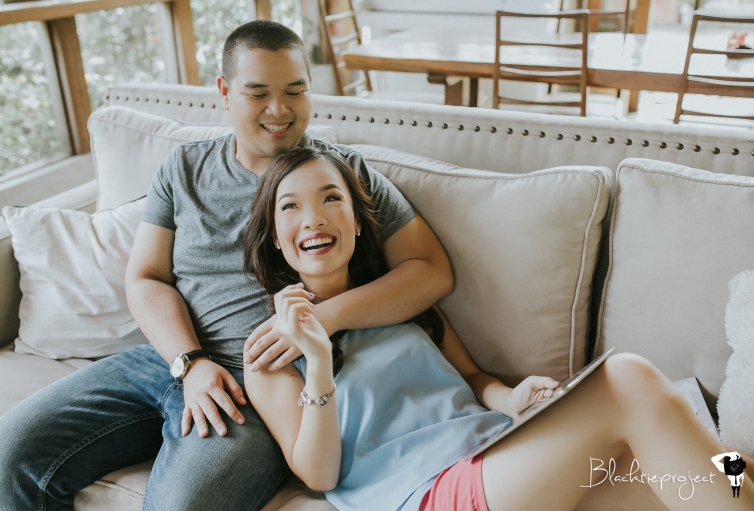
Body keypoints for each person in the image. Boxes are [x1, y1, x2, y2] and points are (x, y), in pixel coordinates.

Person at [0, 21, 452, 510]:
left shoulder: (341, 173)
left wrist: (324, 317)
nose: (279, 110)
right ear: (224, 92)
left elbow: (429, 270)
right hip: (167, 359)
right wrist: (190, 363)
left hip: (261, 383)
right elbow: (146, 277)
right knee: (11, 454)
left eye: (294, 91)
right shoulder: (183, 168)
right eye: (258, 93)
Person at [243, 145, 754, 511]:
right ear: (275, 236)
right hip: (427, 494)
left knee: (704, 470)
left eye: (331, 198)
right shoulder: (268, 355)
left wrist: (511, 399)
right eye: (291, 207)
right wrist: (318, 362)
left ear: (358, 221)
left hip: (499, 453)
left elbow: (472, 379)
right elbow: (319, 475)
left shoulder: (396, 300)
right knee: (626, 378)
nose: (313, 218)